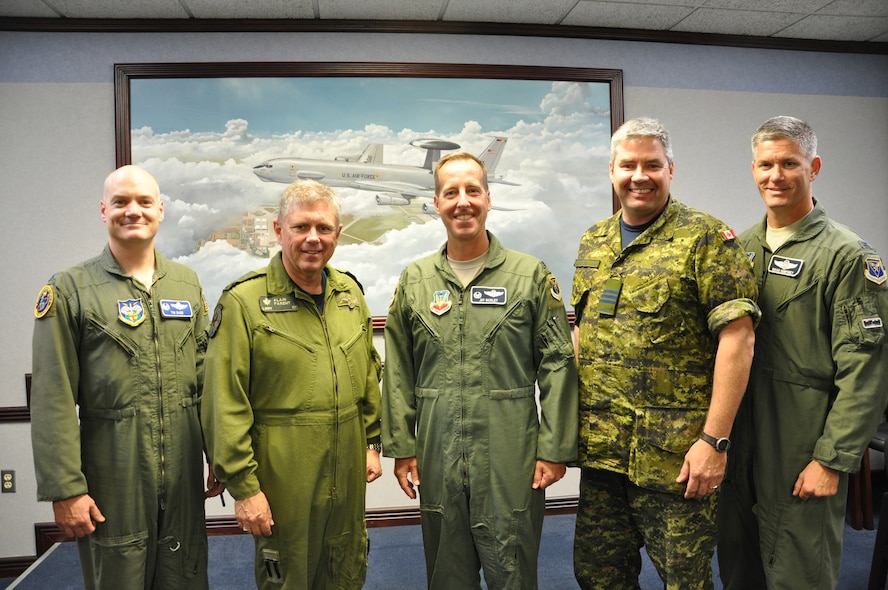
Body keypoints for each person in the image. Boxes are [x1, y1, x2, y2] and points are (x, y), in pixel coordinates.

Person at [570, 117, 760, 589]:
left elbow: (739, 339)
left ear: (670, 170)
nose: (640, 176)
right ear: (612, 170)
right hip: (602, 454)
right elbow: (584, 334)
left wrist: (715, 442)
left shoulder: (706, 239)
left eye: (652, 164)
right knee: (598, 575)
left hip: (676, 459)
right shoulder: (594, 241)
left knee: (684, 580)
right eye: (628, 165)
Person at [381, 151, 578, 589]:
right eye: (451, 192)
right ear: (437, 203)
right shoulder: (414, 280)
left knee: (512, 569)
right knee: (447, 572)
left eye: (473, 190)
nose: (462, 201)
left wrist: (554, 447)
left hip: (510, 452)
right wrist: (402, 446)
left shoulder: (528, 276)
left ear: (488, 198)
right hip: (436, 452)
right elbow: (399, 371)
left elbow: (558, 364)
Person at [30, 165, 221, 590]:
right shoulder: (70, 289)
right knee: (120, 576)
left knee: (185, 575)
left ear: (160, 210)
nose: (132, 210)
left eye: (143, 202)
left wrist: (219, 454)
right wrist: (66, 489)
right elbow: (52, 394)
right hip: (112, 475)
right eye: (121, 202)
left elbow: (205, 380)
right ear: (103, 210)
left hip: (183, 471)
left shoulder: (187, 285)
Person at [717, 115, 888, 590]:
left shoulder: (847, 255)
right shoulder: (739, 249)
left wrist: (833, 460)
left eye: (789, 163)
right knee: (739, 567)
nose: (776, 175)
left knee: (799, 572)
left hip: (802, 442)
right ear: (753, 170)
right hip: (741, 440)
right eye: (766, 164)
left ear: (812, 167)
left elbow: (866, 371)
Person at [201, 179, 382, 589]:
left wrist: (372, 442)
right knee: (286, 579)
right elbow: (223, 403)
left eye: (323, 228)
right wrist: (245, 489)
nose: (312, 239)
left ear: (337, 233)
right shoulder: (244, 303)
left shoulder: (349, 293)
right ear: (278, 231)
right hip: (284, 479)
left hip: (348, 474)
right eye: (300, 227)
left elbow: (368, 374)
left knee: (347, 571)